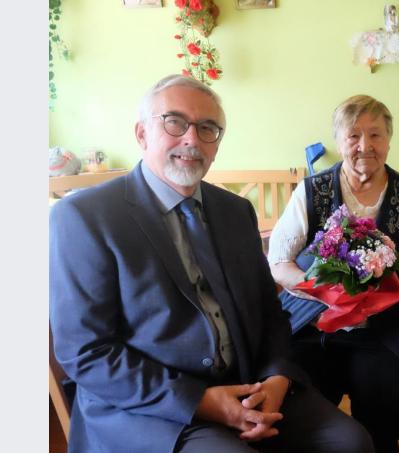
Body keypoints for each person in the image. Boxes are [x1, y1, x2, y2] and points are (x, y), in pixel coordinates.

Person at [49, 74, 373, 453]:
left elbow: (270, 314)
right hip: (150, 408)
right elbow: (86, 353)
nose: (191, 139)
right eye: (174, 122)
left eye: (208, 129)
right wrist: (201, 401)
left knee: (351, 442)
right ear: (141, 134)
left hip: (248, 384)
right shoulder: (84, 217)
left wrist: (277, 379)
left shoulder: (235, 211)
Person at [268, 94, 399, 453]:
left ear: (389, 141)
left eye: (376, 135)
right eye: (353, 135)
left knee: (381, 415)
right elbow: (278, 262)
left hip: (390, 333)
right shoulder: (312, 191)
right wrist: (318, 290)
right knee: (298, 409)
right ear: (338, 141)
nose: (365, 145)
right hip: (318, 328)